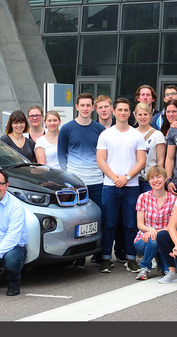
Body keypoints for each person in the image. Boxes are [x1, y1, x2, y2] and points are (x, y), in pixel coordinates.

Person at [95, 97, 148, 273]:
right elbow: (100, 160)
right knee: (109, 224)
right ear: (114, 111)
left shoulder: (137, 135)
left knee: (131, 224)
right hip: (109, 186)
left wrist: (126, 177)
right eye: (120, 110)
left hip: (131, 186)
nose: (123, 113)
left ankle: (131, 258)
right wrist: (114, 177)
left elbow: (141, 161)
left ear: (130, 112)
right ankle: (105, 258)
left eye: (126, 110)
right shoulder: (106, 134)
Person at [57, 92, 106, 263]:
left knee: (100, 217)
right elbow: (61, 155)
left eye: (88, 105)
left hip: (97, 181)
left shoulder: (100, 130)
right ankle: (79, 256)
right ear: (76, 107)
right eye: (82, 105)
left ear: (93, 108)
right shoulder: (67, 129)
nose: (85, 109)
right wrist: (69, 177)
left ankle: (99, 254)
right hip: (76, 185)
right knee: (77, 221)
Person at [133, 165, 175, 280]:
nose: (155, 180)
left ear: (165, 178)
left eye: (158, 177)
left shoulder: (173, 200)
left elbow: (171, 226)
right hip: (143, 238)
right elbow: (140, 224)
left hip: (163, 238)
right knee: (153, 240)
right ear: (148, 181)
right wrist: (149, 230)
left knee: (167, 271)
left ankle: (160, 261)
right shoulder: (143, 197)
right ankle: (145, 267)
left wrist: (155, 232)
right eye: (152, 178)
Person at [134, 101, 166, 193]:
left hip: (150, 180)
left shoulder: (157, 134)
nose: (143, 117)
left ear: (150, 115)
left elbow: (160, 160)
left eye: (145, 114)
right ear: (135, 115)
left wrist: (158, 178)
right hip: (133, 179)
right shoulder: (131, 133)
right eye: (140, 114)